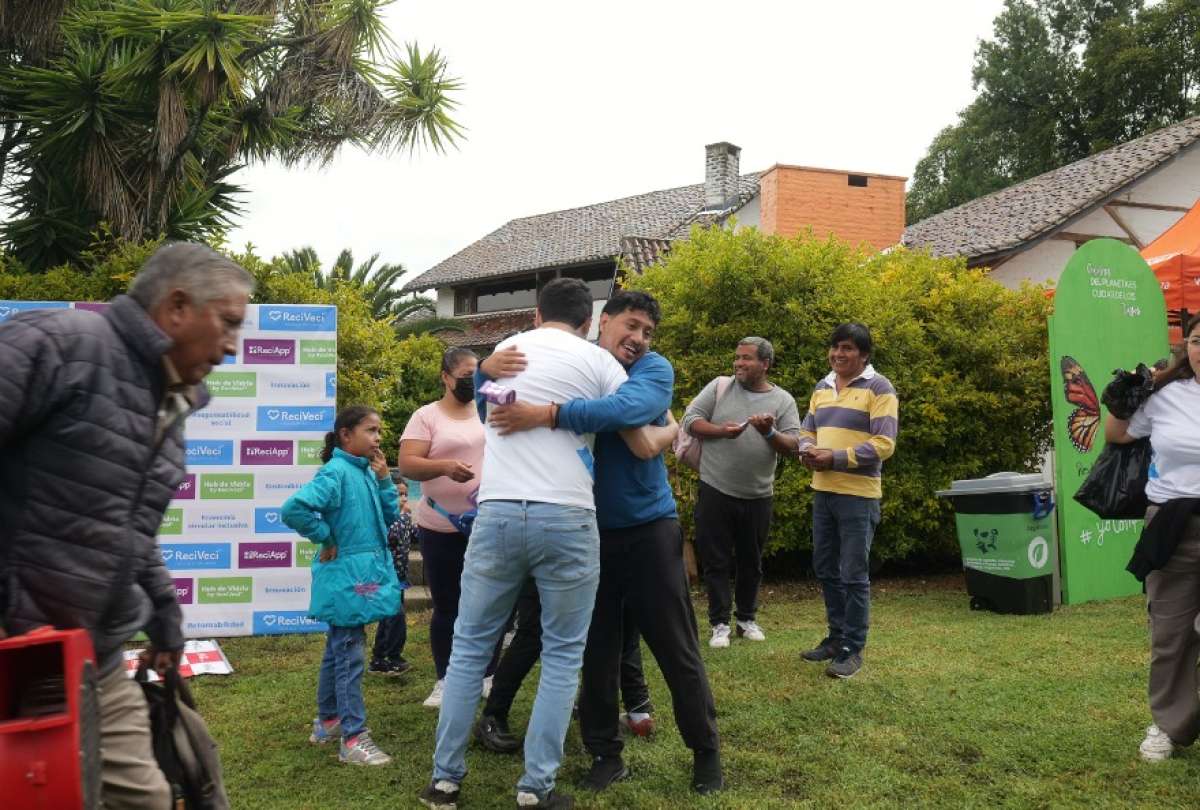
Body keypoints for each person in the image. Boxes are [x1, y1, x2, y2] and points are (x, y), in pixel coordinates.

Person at [0, 242, 252, 809]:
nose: (234, 345)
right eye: (229, 323)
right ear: (178, 307)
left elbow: (130, 533)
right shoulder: (59, 345)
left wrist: (165, 620)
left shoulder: (171, 402)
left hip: (96, 658)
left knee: (145, 801)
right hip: (12, 651)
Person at [481, 290, 723, 794]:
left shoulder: (655, 369)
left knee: (675, 646)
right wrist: (482, 367)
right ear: (602, 321)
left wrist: (546, 414)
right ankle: (604, 753)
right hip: (585, 532)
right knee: (595, 653)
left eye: (647, 332)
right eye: (630, 326)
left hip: (648, 530)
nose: (638, 339)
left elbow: (631, 406)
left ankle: (705, 752)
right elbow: (485, 389)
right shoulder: (578, 366)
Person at [419, 278, 628, 810]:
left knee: (469, 649)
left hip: (499, 512)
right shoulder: (601, 363)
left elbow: (489, 417)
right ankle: (535, 788)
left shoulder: (504, 354)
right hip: (569, 515)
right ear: (589, 321)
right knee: (562, 655)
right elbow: (627, 417)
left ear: (537, 314)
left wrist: (493, 377)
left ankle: (444, 782)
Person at [1104, 313, 1200, 762]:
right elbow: (1118, 434)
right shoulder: (1168, 396)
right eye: (1198, 341)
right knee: (1171, 632)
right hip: (1173, 526)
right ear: (1187, 347)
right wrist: (1122, 399)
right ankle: (1168, 724)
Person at [283, 406, 402, 766]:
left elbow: (391, 518)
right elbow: (294, 509)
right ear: (345, 435)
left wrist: (384, 481)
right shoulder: (336, 471)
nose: (378, 437)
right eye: (371, 430)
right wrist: (323, 535)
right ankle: (353, 739)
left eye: (380, 431)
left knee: (338, 650)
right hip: (348, 577)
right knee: (350, 655)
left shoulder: (365, 471)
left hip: (361, 574)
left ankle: (329, 720)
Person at [398, 347, 502, 708]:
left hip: (488, 522)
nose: (471, 382)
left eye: (477, 375)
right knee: (448, 605)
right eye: (463, 376)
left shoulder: (491, 407)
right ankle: (446, 679)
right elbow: (408, 464)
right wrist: (443, 467)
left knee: (491, 603)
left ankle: (488, 675)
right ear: (444, 376)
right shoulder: (426, 416)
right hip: (440, 525)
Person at [682, 337, 801, 649]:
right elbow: (690, 421)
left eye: (747, 358)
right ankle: (719, 624)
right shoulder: (721, 386)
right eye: (737, 357)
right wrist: (722, 431)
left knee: (751, 561)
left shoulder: (782, 400)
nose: (738, 363)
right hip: (715, 488)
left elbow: (792, 446)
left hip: (759, 495)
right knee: (716, 560)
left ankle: (746, 619)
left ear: (765, 364)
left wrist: (768, 432)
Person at [796, 323, 898, 679]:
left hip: (858, 496)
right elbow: (806, 431)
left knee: (853, 574)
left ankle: (853, 649)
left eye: (848, 348)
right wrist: (807, 451)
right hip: (823, 491)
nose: (839, 354)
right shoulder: (822, 388)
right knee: (826, 568)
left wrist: (835, 458)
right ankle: (836, 639)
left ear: (864, 354)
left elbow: (884, 444)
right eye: (836, 347)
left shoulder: (879, 388)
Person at [369, 482, 413, 676]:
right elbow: (393, 535)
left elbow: (412, 535)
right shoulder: (387, 519)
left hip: (398, 577)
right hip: (386, 578)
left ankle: (379, 658)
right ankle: (392, 658)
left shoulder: (403, 519)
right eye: (398, 495)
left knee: (389, 618)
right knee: (395, 618)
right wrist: (405, 516)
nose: (403, 499)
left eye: (405, 494)